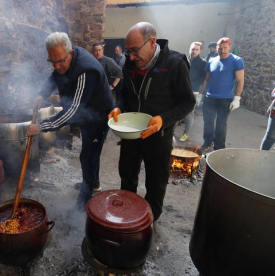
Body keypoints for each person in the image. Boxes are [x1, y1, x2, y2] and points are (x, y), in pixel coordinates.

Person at [108, 22, 195, 221]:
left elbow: (188, 102)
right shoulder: (131, 62)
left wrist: (163, 119)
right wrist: (119, 107)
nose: (130, 57)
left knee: (156, 181)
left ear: (152, 42)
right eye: (128, 51)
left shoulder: (175, 64)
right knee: (127, 174)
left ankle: (149, 220)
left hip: (159, 134)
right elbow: (124, 93)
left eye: (135, 51)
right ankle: (127, 213)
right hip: (131, 132)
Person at [27, 32, 114, 209]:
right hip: (86, 113)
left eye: (60, 61)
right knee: (91, 152)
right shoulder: (63, 58)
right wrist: (41, 94)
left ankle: (85, 197)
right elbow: (55, 76)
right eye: (53, 61)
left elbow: (73, 111)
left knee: (88, 156)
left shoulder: (85, 71)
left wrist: (42, 126)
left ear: (71, 53)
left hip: (98, 116)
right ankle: (94, 184)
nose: (57, 66)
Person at [197, 37, 245, 150]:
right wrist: (201, 94)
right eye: (220, 48)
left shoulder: (236, 60)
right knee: (208, 123)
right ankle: (207, 142)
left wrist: (237, 98)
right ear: (217, 48)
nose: (222, 51)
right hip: (209, 98)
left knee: (220, 125)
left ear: (230, 47)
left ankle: (218, 148)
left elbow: (240, 80)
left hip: (225, 99)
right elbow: (207, 80)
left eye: (225, 48)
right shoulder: (212, 60)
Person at [179, 42, 207, 142]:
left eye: (196, 49)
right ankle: (172, 132)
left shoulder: (203, 63)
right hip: (180, 89)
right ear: (189, 49)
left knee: (188, 114)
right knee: (176, 111)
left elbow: (204, 77)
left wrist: (196, 88)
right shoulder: (184, 60)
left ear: (200, 51)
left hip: (193, 91)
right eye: (193, 49)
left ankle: (186, 133)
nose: (194, 51)